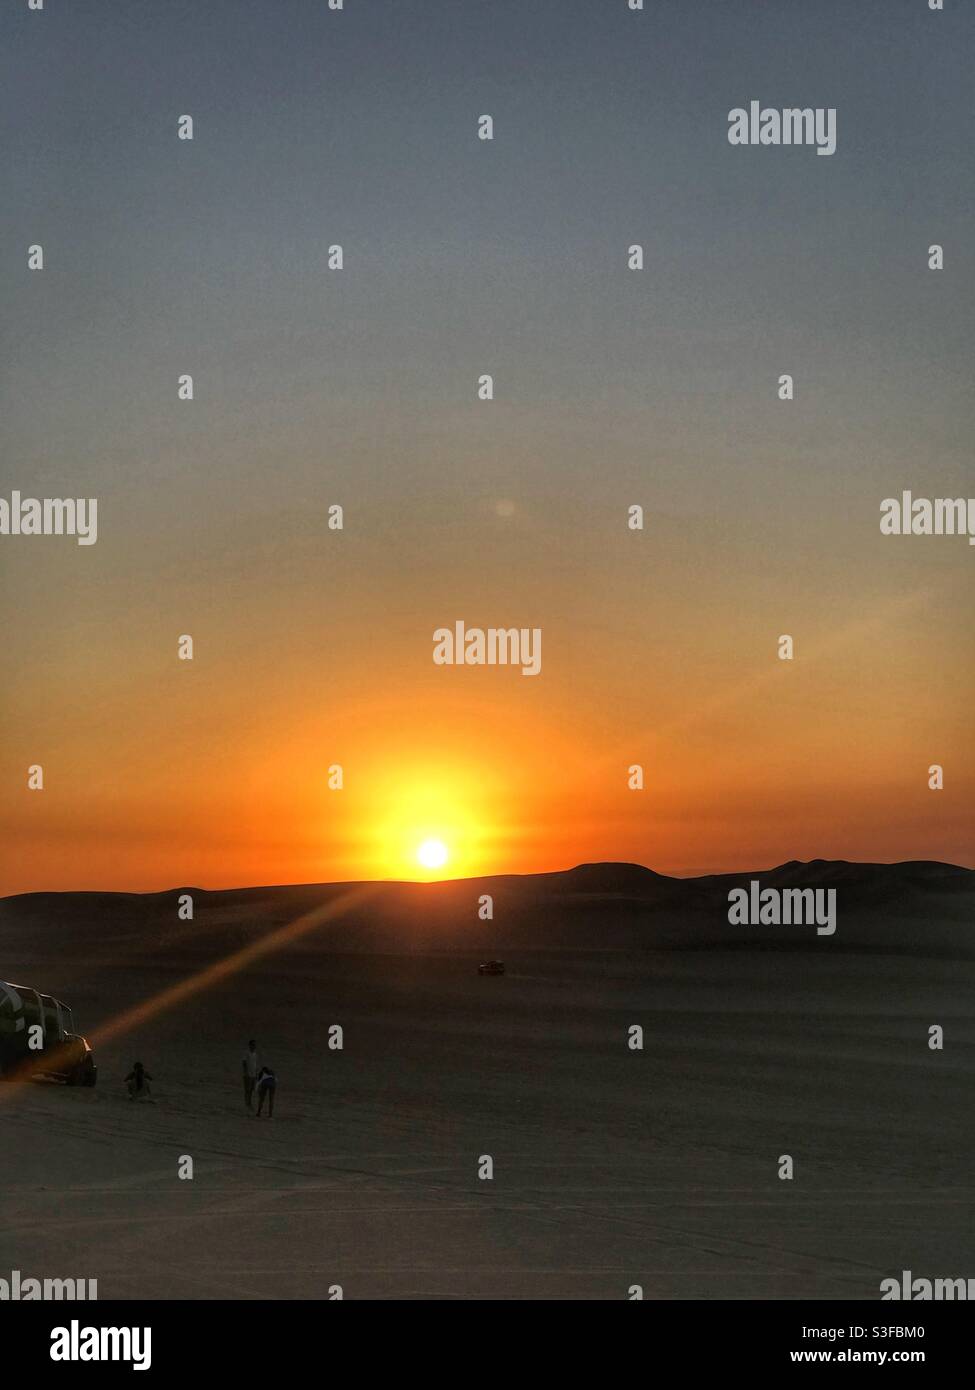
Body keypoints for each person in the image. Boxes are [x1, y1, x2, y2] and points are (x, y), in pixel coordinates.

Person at [242, 1039, 259, 1110]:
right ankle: (247, 1103)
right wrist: (246, 1072)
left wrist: (256, 1073)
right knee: (247, 1089)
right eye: (253, 1045)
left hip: (253, 1074)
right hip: (248, 1074)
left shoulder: (255, 1054)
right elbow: (244, 1062)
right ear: (250, 1045)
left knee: (251, 1090)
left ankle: (249, 1103)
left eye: (255, 1045)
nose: (254, 1046)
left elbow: (255, 1064)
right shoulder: (246, 1053)